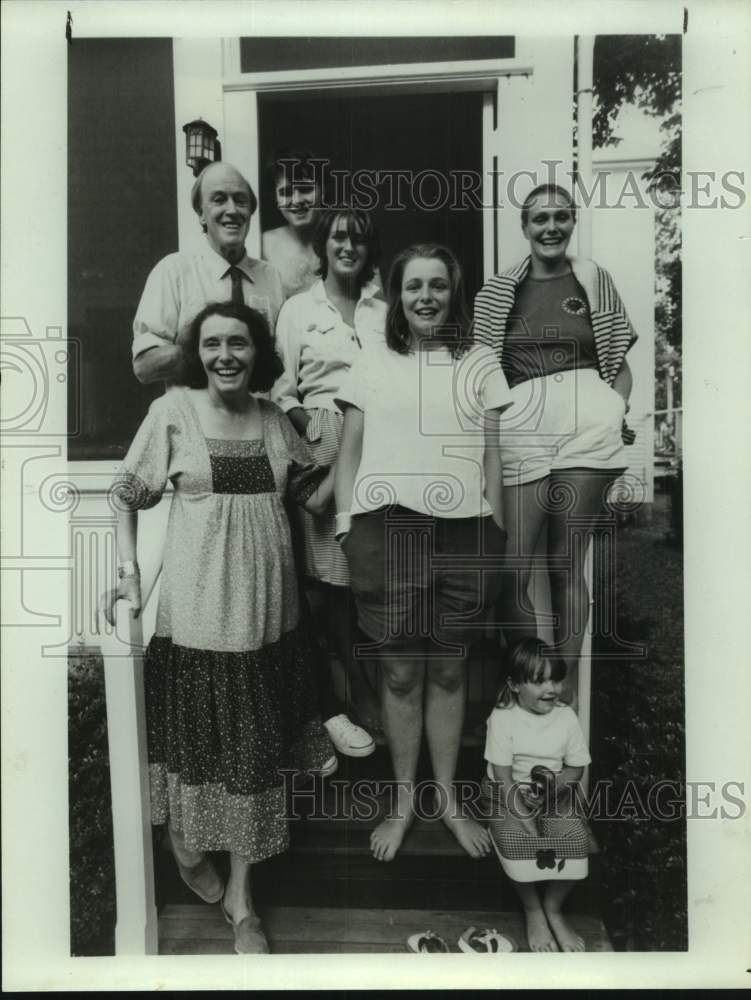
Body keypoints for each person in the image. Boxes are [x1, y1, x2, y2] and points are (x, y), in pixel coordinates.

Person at [101, 301, 335, 954]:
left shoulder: (270, 420)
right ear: (195, 354)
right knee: (197, 754)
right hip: (200, 623)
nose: (224, 355)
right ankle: (184, 847)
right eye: (211, 345)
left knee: (252, 759)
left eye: (237, 342)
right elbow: (124, 493)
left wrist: (342, 428)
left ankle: (242, 899)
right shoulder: (172, 412)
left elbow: (309, 487)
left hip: (267, 623)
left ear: (257, 350)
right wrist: (125, 570)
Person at [334, 244, 513, 862]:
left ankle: (449, 798)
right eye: (414, 286)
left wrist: (497, 530)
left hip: (466, 530)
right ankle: (405, 798)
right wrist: (343, 521)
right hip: (387, 528)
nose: (426, 297)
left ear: (453, 292)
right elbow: (350, 449)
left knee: (448, 669)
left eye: (438, 285)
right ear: (397, 294)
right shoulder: (372, 359)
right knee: (403, 671)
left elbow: (493, 456)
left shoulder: (481, 361)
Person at [473, 183, 637, 701]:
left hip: (587, 420)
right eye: (539, 218)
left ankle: (558, 691)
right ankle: (527, 682)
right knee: (510, 565)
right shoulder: (498, 291)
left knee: (566, 561)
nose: (551, 227)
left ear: (572, 222)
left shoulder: (592, 280)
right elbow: (483, 371)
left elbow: (619, 362)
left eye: (561, 217)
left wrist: (616, 408)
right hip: (523, 421)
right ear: (524, 228)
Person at [272, 207, 386, 741]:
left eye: (360, 238)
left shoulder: (383, 311)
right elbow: (279, 385)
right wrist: (307, 430)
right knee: (326, 583)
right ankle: (350, 698)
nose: (349, 245)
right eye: (339, 235)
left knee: (370, 571)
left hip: (378, 443)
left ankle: (382, 690)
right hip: (322, 436)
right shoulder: (299, 309)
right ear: (324, 245)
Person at [482, 637, 596, 952]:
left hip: (553, 794)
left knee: (576, 841)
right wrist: (526, 818)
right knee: (521, 841)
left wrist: (552, 790)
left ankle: (554, 908)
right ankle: (532, 908)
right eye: (539, 680)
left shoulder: (566, 718)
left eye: (556, 678)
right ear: (515, 684)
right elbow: (502, 778)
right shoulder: (503, 718)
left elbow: (576, 770)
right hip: (505, 793)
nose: (552, 688)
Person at [132, 160, 284, 385]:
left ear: (250, 213)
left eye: (240, 201)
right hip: (195, 416)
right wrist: (209, 351)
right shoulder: (174, 271)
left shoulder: (270, 276)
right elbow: (144, 365)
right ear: (201, 213)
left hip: (258, 415)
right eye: (219, 199)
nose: (232, 210)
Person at [261, 150, 324, 300]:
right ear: (276, 198)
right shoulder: (264, 244)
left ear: (323, 191)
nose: (297, 200)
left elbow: (375, 303)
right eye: (285, 192)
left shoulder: (345, 238)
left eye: (306, 189)